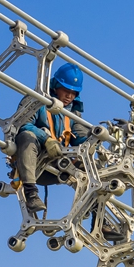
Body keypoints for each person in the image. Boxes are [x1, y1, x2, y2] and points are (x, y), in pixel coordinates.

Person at [13, 63, 88, 213]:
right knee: (27, 136)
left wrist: (94, 140)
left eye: (73, 93)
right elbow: (22, 124)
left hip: (57, 165)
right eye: (66, 90)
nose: (69, 96)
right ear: (55, 85)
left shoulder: (72, 112)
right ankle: (31, 193)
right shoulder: (37, 100)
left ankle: (96, 212)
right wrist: (46, 140)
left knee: (90, 165)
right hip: (34, 165)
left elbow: (80, 135)